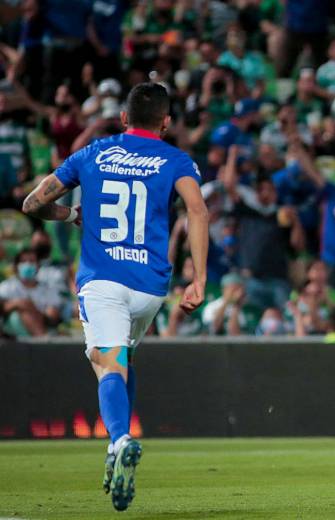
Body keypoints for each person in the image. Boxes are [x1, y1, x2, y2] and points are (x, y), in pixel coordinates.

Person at [20, 83, 208, 512]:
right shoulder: (176, 159)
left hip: (103, 280)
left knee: (107, 362)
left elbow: (33, 203)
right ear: (166, 123)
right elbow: (198, 211)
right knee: (124, 357)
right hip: (150, 288)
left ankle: (119, 441)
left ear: (123, 118)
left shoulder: (93, 153)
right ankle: (115, 441)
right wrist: (198, 278)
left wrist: (69, 214)